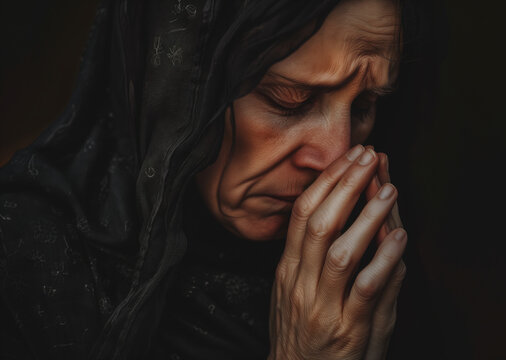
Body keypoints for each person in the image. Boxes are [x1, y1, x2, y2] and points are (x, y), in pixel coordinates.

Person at [0, 0, 423, 359]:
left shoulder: (369, 285)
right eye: (289, 100)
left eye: (364, 105)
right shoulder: (21, 268)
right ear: (176, 85)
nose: (336, 156)